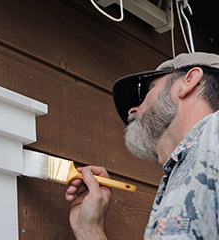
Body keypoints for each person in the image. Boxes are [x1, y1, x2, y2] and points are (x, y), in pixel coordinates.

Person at [65, 52, 219, 239]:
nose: (132, 110)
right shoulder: (182, 172)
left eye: (148, 90)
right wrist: (89, 230)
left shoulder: (214, 132)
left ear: (189, 81)